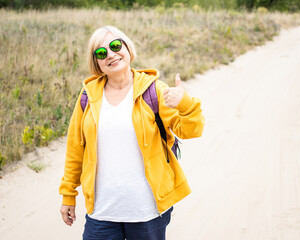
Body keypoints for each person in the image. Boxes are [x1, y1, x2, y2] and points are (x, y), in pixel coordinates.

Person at [59, 25, 205, 240]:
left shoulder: (154, 90)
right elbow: (75, 149)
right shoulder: (88, 96)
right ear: (97, 62)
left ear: (127, 47)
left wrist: (185, 103)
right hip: (102, 212)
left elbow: (190, 131)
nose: (110, 54)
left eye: (115, 45)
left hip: (147, 211)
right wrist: (68, 194)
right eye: (101, 53)